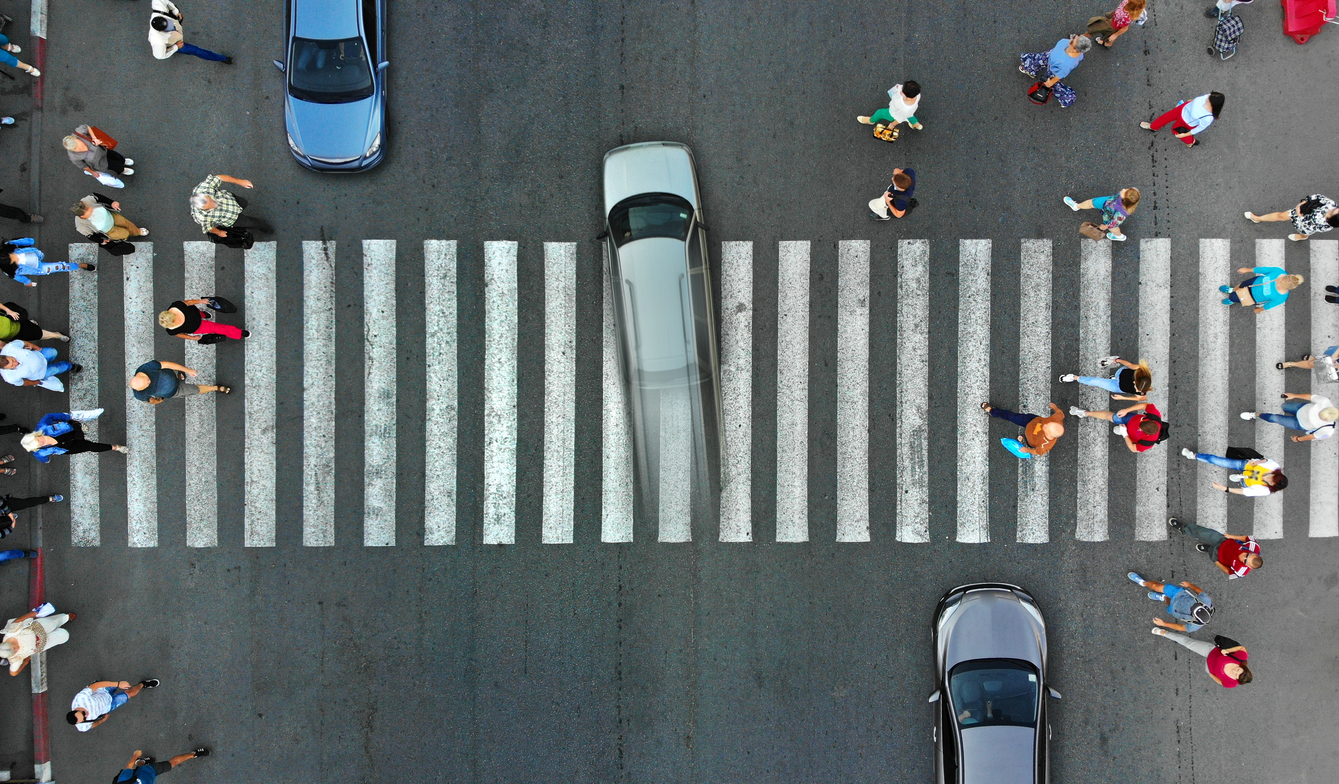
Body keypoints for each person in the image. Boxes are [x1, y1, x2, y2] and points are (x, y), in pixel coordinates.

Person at [1151, 629, 1250, 688]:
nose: (1234, 671)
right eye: (1238, 670)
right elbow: (1242, 648)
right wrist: (1228, 651)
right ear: (1242, 667)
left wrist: (1211, 675)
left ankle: (1165, 633)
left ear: (1237, 680)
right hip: (1210, 651)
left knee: (1189, 644)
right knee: (1188, 643)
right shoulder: (1241, 658)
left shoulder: (1232, 683)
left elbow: (1221, 682)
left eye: (1236, 675)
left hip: (1208, 667)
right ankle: (1164, 633)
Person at [1168, 517, 1263, 578]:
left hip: (1218, 556)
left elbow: (1228, 571)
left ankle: (1209, 548)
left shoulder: (1242, 571)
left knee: (1211, 552)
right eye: (1247, 555)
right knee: (1203, 532)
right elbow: (1247, 538)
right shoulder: (1254, 547)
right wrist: (1231, 536)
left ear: (1250, 567)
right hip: (1224, 542)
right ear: (1253, 553)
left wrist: (1216, 562)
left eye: (1245, 561)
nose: (1243, 557)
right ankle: (1183, 528)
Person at [21, 410, 128, 462]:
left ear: (36, 435)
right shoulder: (39, 453)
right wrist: (48, 460)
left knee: (79, 430)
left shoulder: (42, 427)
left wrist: (66, 418)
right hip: (68, 447)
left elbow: (50, 416)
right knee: (91, 446)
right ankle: (115, 447)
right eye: (39, 445)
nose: (42, 443)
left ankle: (81, 428)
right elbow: (44, 459)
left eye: (39, 440)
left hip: (70, 431)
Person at [1018, 34, 1092, 108]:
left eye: (1073, 41)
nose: (1071, 39)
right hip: (1051, 57)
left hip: (1054, 68)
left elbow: (1060, 75)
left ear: (1075, 49)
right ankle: (1030, 69)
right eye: (1075, 37)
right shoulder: (1071, 48)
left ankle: (1067, 97)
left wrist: (1051, 82)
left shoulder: (1066, 64)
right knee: (1041, 59)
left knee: (1051, 80)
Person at [190, 174, 274, 237]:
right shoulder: (202, 217)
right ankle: (263, 227)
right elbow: (209, 228)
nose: (214, 203)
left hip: (231, 200)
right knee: (252, 223)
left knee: (244, 203)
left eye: (210, 200)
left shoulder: (204, 188)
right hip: (231, 218)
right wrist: (219, 233)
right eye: (209, 206)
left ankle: (243, 211)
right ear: (202, 209)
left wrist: (240, 182)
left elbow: (219, 178)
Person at [1127, 572, 1214, 632]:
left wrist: (1164, 624)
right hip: (1180, 594)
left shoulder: (1195, 626)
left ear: (1195, 618)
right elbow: (1200, 592)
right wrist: (1190, 585)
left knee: (1168, 601)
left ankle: (1164, 597)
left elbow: (1181, 627)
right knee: (1155, 586)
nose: (1193, 606)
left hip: (1175, 610)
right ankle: (1143, 583)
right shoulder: (1206, 601)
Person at [1181, 448, 1286, 497]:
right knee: (1215, 460)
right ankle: (1193, 456)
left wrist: (1226, 489)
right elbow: (1267, 461)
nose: (1267, 478)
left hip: (1248, 481)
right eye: (1270, 476)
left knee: (1244, 480)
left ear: (1272, 486)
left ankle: (1240, 477)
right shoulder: (1275, 467)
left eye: (1270, 482)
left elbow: (1245, 492)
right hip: (1245, 465)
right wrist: (1258, 461)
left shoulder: (1265, 491)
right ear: (1276, 473)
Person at [150, 1, 232, 63]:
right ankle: (223, 58)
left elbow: (165, 1)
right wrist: (175, 47)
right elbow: (160, 55)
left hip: (175, 36)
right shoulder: (158, 41)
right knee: (197, 51)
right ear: (160, 31)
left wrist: (176, 12)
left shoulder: (159, 7)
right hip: (175, 43)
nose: (171, 26)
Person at [1068, 401, 1165, 452]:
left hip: (1129, 434)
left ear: (1145, 433)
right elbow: (1146, 405)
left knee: (1120, 428)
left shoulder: (1149, 443)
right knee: (1110, 416)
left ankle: (1121, 430)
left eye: (1139, 427)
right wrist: (1127, 410)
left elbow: (1133, 448)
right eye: (1142, 420)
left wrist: (1125, 434)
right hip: (1130, 418)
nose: (1140, 422)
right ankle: (1085, 413)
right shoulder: (1156, 417)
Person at [1, 608, 74, 675]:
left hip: (37, 628)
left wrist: (31, 614)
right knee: (64, 636)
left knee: (55, 621)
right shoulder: (14, 659)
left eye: (14, 647)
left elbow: (17, 621)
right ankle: (62, 631)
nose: (17, 649)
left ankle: (66, 617)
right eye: (15, 651)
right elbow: (13, 673)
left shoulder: (10, 633)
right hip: (40, 644)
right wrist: (25, 662)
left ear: (10, 642)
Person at [68, 678, 159, 732]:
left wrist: (118, 684)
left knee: (119, 684)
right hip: (109, 706)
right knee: (130, 694)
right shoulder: (82, 727)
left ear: (76, 709)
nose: (86, 715)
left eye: (83, 713)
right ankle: (143, 684)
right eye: (84, 718)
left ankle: (90, 687)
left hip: (103, 691)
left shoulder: (81, 698)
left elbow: (96, 686)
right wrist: (102, 721)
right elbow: (91, 725)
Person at [1241, 392, 1338, 442]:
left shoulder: (1328, 428)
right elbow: (1310, 397)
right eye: (1320, 413)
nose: (1318, 415)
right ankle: (1281, 413)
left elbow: (1313, 436)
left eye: (1321, 418)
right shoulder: (1325, 402)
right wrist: (1294, 395)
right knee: (1284, 406)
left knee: (1274, 418)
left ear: (1327, 420)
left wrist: (1299, 439)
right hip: (1300, 408)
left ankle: (1256, 415)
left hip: (1299, 424)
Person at [981, 401, 1065, 456]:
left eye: (1046, 428)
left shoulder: (1045, 445)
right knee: (1012, 416)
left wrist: (1026, 449)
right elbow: (1060, 413)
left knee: (1028, 441)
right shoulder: (1057, 420)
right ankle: (994, 412)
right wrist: (1055, 407)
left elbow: (1037, 451)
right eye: (1049, 424)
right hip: (1032, 420)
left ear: (1048, 434)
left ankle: (1024, 441)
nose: (1045, 425)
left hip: (1031, 439)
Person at [1, 239, 96, 287]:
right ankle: (79, 265)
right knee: (61, 267)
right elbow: (18, 277)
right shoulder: (8, 270)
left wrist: (29, 240)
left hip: (37, 254)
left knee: (43, 255)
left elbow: (19, 242)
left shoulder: (7, 246)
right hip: (40, 268)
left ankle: (78, 265)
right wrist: (27, 282)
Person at [1140, 93, 1223, 147]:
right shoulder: (1208, 97)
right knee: (1166, 117)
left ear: (1213, 106)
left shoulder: (1208, 117)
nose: (1205, 99)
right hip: (1182, 108)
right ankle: (1153, 127)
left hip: (1186, 122)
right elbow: (1199, 99)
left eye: (1208, 101)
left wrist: (1184, 135)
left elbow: (1199, 128)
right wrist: (1193, 101)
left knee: (1176, 131)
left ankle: (1190, 141)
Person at [1244, 195, 1339, 242]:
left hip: (1303, 224)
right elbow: (1318, 197)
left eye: (1332, 212)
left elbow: (1309, 226)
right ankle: (1258, 218)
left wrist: (1300, 215)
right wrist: (1305, 201)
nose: (1331, 209)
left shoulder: (1324, 225)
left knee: (1305, 233)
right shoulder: (1332, 204)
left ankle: (1302, 237)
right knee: (1280, 216)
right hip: (1299, 212)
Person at [130, 360, 230, 404]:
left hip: (171, 375)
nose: (149, 382)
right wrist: (158, 401)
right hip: (174, 392)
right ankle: (215, 388)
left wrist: (188, 370)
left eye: (147, 379)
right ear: (141, 389)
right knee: (194, 390)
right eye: (147, 385)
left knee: (180, 376)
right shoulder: (139, 394)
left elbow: (167, 364)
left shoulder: (145, 368)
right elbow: (150, 400)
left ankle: (180, 376)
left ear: (140, 375)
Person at [1059, 356, 1151, 401]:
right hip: (1121, 374)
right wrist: (1118, 360)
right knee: (1115, 374)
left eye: (1136, 389)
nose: (1134, 387)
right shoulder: (1140, 369)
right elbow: (1130, 365)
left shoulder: (1142, 391)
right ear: (1136, 380)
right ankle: (1113, 377)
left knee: (1096, 381)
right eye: (1135, 386)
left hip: (1117, 386)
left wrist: (1122, 397)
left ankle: (1074, 377)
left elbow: (1140, 398)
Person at [1062, 188, 1140, 241]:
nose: (1123, 189)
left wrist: (1105, 226)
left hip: (1109, 213)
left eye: (1125, 191)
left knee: (1113, 227)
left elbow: (1113, 223)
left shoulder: (1120, 214)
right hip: (1108, 202)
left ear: (1124, 201)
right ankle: (1076, 206)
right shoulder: (1132, 195)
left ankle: (1118, 236)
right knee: (1091, 202)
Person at [0, 340, 79, 391]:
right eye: (12, 366)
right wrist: (35, 382)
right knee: (60, 368)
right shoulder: (10, 378)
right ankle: (70, 366)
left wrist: (38, 348)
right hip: (42, 372)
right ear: (5, 369)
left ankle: (60, 363)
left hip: (40, 356)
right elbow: (23, 382)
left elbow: (24, 343)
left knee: (53, 352)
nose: (16, 363)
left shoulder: (10, 348)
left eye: (13, 360)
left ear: (7, 355)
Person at [1219, 265, 1302, 313]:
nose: (1278, 283)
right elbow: (1263, 269)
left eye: (1280, 285)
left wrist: (1260, 309)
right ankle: (1232, 290)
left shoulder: (1281, 297)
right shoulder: (1278, 271)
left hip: (1253, 297)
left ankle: (1232, 299)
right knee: (1241, 286)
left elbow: (1270, 305)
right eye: (1280, 280)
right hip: (1253, 283)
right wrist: (1248, 270)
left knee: (1236, 297)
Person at [71, 194, 150, 245]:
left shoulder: (87, 200)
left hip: (112, 217)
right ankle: (123, 237)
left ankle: (138, 231)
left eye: (89, 208)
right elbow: (91, 236)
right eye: (89, 213)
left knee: (127, 223)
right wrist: (101, 241)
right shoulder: (81, 226)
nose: (91, 210)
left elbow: (99, 197)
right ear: (82, 216)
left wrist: (112, 202)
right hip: (108, 230)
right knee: (125, 233)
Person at [63, 125, 134, 180]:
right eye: (77, 149)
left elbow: (86, 127)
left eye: (80, 144)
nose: (81, 148)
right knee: (116, 166)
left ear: (76, 139)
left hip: (103, 150)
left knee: (117, 156)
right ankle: (123, 170)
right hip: (100, 163)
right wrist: (93, 172)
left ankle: (123, 161)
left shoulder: (78, 133)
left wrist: (94, 138)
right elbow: (84, 166)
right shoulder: (73, 157)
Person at [159, 300, 249, 342]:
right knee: (219, 328)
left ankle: (205, 315)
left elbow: (189, 302)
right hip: (199, 326)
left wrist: (201, 301)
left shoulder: (177, 306)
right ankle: (239, 333)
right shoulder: (171, 329)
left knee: (215, 326)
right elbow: (179, 334)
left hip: (196, 316)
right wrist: (192, 338)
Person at [111, 747, 209, 784]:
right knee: (139, 768)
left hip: (150, 770)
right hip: (150, 779)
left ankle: (194, 754)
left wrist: (135, 755)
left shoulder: (123, 780)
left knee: (172, 764)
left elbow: (129, 765)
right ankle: (144, 762)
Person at [856, 81, 924, 131]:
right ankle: (916, 125)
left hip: (893, 113)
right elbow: (905, 114)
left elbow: (899, 118)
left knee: (880, 113)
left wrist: (892, 125)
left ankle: (871, 120)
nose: (901, 91)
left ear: (907, 96)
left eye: (902, 91)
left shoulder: (902, 106)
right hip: (909, 112)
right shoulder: (917, 95)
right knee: (909, 116)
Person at [0, 302, 68, 344]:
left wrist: (8, 311)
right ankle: (55, 335)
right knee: (37, 335)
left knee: (38, 332)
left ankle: (56, 335)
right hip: (14, 336)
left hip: (14, 320)